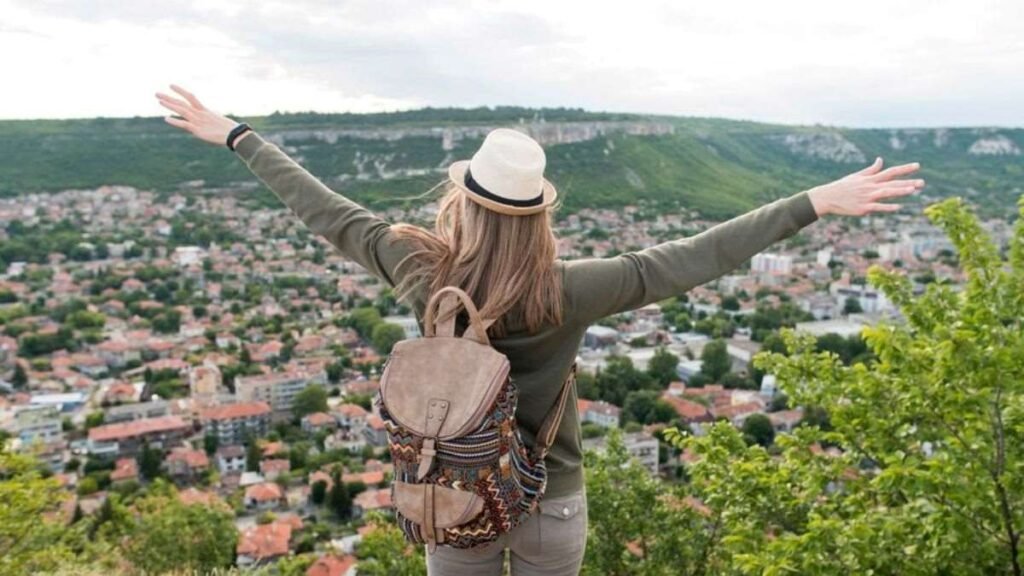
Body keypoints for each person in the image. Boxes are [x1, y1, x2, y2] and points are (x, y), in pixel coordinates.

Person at [155, 84, 924, 575]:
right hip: (550, 495)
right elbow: (693, 258)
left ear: (463, 200)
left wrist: (239, 135)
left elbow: (324, 208)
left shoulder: (418, 268)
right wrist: (812, 201)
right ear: (539, 213)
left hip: (449, 490)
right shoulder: (569, 289)